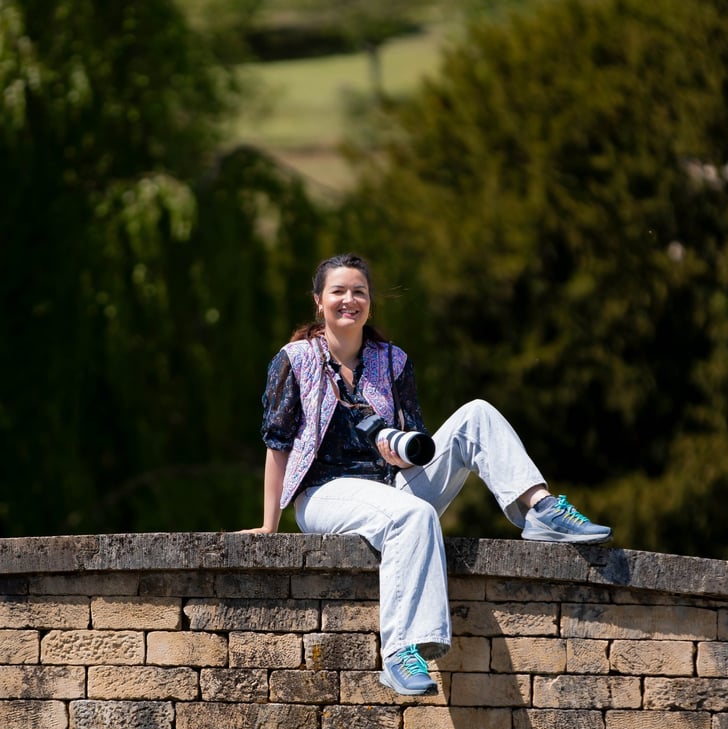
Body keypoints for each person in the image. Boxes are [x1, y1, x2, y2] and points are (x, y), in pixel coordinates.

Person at [246, 253, 611, 697]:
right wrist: (270, 523)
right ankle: (400, 651)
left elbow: (417, 438)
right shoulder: (296, 359)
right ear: (318, 301)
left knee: (477, 414)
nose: (349, 300)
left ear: (370, 302)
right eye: (338, 291)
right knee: (415, 516)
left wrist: (401, 453)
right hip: (324, 493)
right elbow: (277, 444)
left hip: (389, 484)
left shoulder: (393, 359)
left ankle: (541, 509)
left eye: (359, 291)